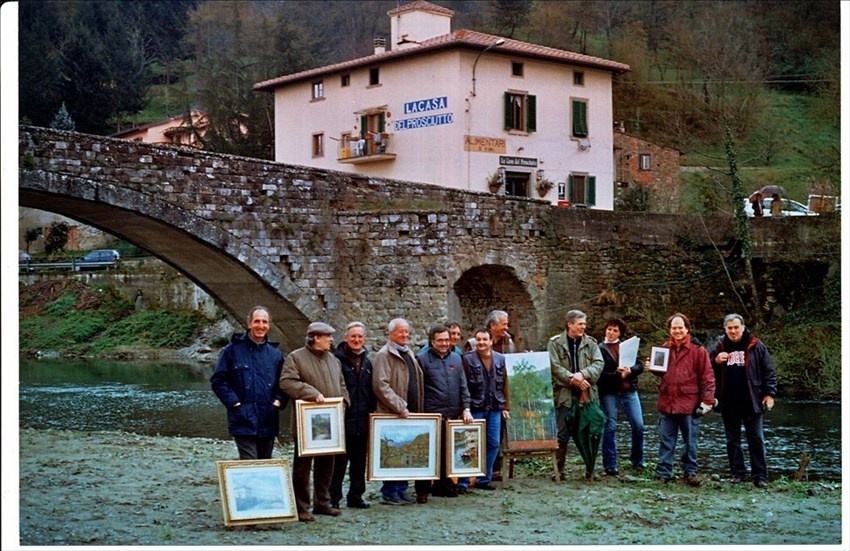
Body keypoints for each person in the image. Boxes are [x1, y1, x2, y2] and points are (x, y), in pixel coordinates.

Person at [279, 322, 350, 522]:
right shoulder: (295, 357)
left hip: (331, 423)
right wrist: (312, 393)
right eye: (327, 336)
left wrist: (343, 403)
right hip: (306, 423)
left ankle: (322, 503)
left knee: (327, 465)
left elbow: (342, 385)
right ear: (316, 338)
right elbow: (287, 382)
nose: (331, 340)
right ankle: (302, 507)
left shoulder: (334, 360)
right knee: (302, 467)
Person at [646, 313, 715, 486]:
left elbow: (708, 377)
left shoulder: (698, 351)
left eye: (680, 328)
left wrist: (707, 401)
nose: (677, 331)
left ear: (687, 329)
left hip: (689, 404)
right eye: (674, 328)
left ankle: (690, 472)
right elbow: (661, 373)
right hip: (667, 402)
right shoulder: (663, 349)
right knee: (666, 440)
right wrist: (652, 368)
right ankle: (664, 473)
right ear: (669, 330)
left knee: (690, 441)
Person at [211, 306, 287, 460]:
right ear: (249, 324)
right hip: (242, 419)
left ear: (269, 325)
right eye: (257, 321)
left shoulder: (276, 355)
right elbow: (219, 381)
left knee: (265, 463)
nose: (261, 326)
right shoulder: (231, 351)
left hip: (268, 418)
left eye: (264, 322)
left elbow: (285, 383)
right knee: (250, 463)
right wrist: (235, 404)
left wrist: (278, 403)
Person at [709, 314, 777, 488]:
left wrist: (769, 394)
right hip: (728, 401)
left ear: (743, 327)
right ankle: (737, 473)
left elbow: (769, 372)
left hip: (752, 400)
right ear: (725, 329)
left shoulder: (756, 345)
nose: (733, 331)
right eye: (729, 328)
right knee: (732, 440)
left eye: (736, 327)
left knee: (756, 438)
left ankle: (760, 475)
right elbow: (707, 370)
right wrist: (716, 361)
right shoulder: (719, 346)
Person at [414, 325, 473, 503]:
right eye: (440, 340)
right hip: (431, 413)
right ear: (432, 341)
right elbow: (418, 387)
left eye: (446, 340)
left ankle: (444, 485)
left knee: (448, 451)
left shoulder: (456, 358)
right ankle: (422, 490)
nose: (444, 343)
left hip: (452, 413)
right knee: (427, 453)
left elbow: (463, 385)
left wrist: (466, 407)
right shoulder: (421, 359)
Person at [371, 318, 424, 506]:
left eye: (407, 332)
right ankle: (389, 492)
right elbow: (380, 385)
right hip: (393, 413)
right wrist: (399, 405)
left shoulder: (408, 352)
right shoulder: (384, 355)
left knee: (404, 450)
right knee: (393, 452)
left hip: (409, 412)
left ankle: (401, 489)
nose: (405, 335)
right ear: (391, 333)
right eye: (401, 332)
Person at [548, 309, 604, 479]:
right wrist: (573, 378)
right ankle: (559, 470)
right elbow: (554, 366)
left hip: (587, 395)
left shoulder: (592, 343)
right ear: (570, 324)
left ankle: (590, 470)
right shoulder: (555, 343)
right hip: (564, 395)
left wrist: (583, 374)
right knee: (562, 434)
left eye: (584, 324)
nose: (583, 327)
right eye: (580, 324)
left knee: (589, 431)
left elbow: (599, 363)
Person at [457, 327, 510, 492]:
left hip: (494, 408)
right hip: (475, 408)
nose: (481, 342)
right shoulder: (467, 359)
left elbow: (506, 384)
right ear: (475, 341)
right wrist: (464, 408)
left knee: (493, 443)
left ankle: (483, 478)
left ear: (491, 341)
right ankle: (463, 481)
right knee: (469, 445)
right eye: (478, 339)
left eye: (484, 339)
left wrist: (506, 406)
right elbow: (463, 385)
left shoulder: (500, 359)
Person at [329, 322, 376, 509]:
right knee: (339, 463)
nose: (356, 340)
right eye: (353, 336)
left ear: (364, 339)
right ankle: (333, 498)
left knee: (359, 462)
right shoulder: (336, 360)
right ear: (346, 338)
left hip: (363, 418)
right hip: (343, 419)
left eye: (360, 337)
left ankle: (356, 496)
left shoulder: (367, 362)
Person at [597, 318, 645, 476]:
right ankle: (610, 465)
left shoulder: (627, 347)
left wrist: (630, 371)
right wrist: (617, 375)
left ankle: (637, 460)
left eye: (615, 330)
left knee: (638, 425)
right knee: (610, 426)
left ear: (620, 333)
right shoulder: (599, 349)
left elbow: (640, 366)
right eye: (609, 329)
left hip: (629, 390)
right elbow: (600, 375)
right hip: (609, 392)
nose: (611, 333)